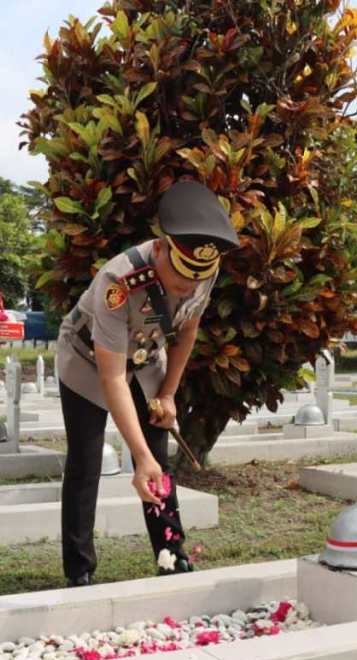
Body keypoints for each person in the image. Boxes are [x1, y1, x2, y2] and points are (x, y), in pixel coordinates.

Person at [55, 180, 239, 587]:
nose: (186, 290)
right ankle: (79, 568)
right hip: (87, 362)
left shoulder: (202, 268)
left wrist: (168, 393)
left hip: (145, 360)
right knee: (86, 462)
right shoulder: (117, 283)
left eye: (194, 283)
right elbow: (111, 376)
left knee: (159, 455)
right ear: (160, 249)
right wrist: (135, 455)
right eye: (178, 282)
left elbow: (187, 330)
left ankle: (171, 553)